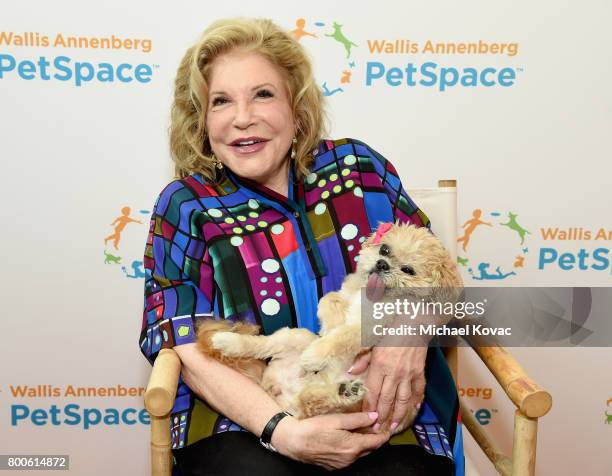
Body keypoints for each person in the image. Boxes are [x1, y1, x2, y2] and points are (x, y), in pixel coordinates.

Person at [140, 18, 462, 476]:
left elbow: (440, 276)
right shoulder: (185, 204)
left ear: (297, 107)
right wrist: (281, 430)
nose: (242, 117)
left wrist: (408, 331)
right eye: (221, 101)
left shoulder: (359, 169)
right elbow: (179, 340)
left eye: (263, 94)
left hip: (379, 408)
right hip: (240, 422)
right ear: (201, 119)